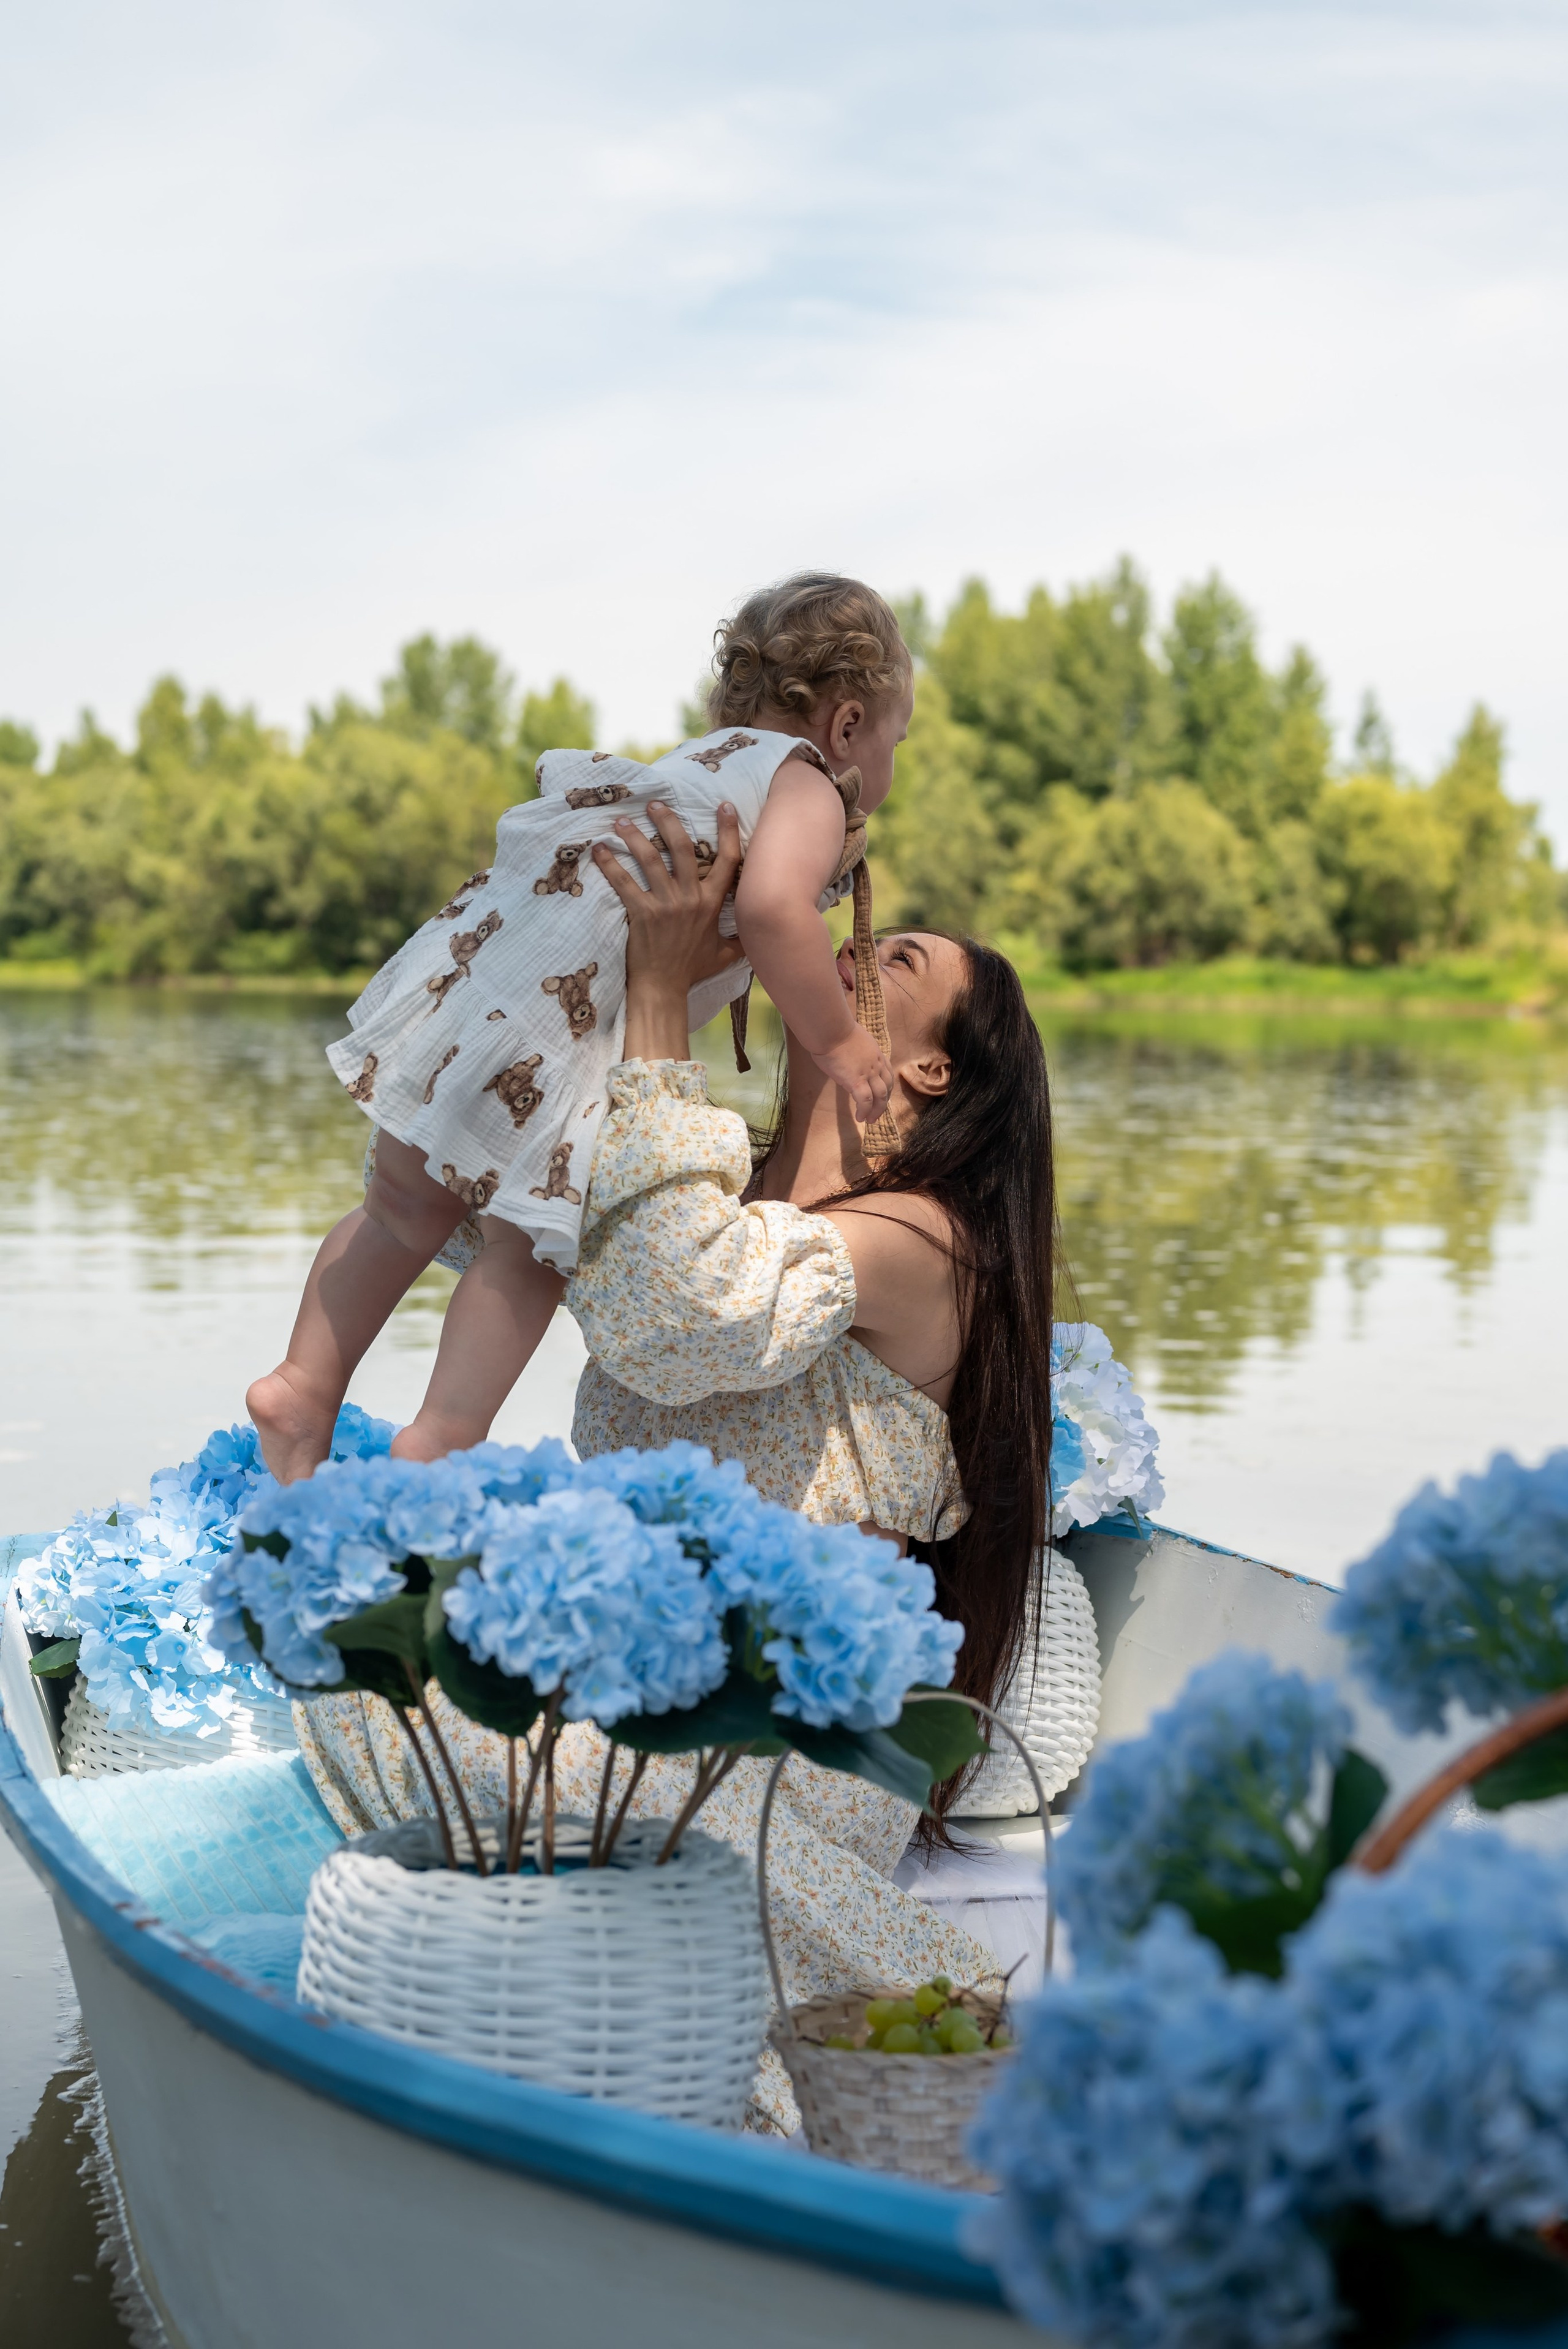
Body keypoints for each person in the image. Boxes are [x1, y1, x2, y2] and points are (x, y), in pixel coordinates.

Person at [295, 802, 1062, 2134]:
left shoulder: (914, 1241)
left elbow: (670, 1307)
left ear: (931, 1073)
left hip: (794, 1734)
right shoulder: (728, 1187)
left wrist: (657, 1003)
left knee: (423, 1720)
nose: (851, 940)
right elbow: (557, 1236)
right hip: (653, 1678)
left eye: (900, 962)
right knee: (370, 1683)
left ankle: (752, 2027)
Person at [247, 573, 914, 1484]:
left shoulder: (705, 760)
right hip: (571, 1025)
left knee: (399, 1203)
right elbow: (772, 911)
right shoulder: (809, 786)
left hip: (485, 978)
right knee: (529, 1245)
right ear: (846, 725)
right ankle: (438, 1441)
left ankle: (302, 1385)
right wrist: (839, 1042)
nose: (887, 767)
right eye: (895, 741)